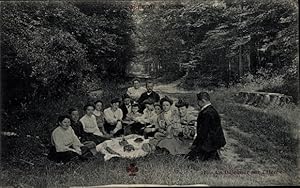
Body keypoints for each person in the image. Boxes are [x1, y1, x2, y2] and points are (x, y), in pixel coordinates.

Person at [186, 92, 226, 161]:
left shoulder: (206, 113)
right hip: (215, 140)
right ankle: (214, 153)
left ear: (202, 101)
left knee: (191, 157)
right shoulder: (212, 110)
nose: (197, 103)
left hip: (209, 142)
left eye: (198, 101)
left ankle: (213, 154)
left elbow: (203, 132)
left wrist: (195, 143)